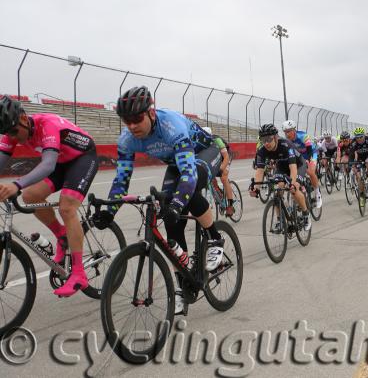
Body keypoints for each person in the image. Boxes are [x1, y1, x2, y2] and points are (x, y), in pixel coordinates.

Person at [92, 86, 225, 314]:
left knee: (188, 195)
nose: (132, 125)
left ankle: (215, 239)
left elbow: (189, 175)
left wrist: (176, 203)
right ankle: (183, 286)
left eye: (137, 119)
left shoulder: (171, 126)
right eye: (127, 120)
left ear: (151, 113)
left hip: (205, 153)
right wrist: (110, 211)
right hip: (177, 164)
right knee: (171, 222)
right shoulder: (126, 140)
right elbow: (122, 180)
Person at [0, 95, 98, 297]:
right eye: (7, 133)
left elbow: (48, 165)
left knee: (67, 207)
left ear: (24, 119)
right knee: (30, 195)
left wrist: (16, 184)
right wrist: (20, 187)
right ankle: (62, 235)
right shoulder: (11, 131)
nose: (14, 137)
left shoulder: (48, 125)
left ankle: (79, 273)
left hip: (82, 158)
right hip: (62, 162)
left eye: (15, 131)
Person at [249, 124, 311, 231]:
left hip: (298, 165)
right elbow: (260, 171)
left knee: (294, 189)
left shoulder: (286, 145)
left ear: (276, 137)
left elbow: (293, 168)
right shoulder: (262, 150)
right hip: (282, 166)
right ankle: (280, 220)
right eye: (263, 140)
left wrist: (292, 183)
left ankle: (306, 214)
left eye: (269, 139)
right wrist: (256, 188)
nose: (266, 143)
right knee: (278, 190)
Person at [282, 120, 322, 208]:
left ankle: (317, 194)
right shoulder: (286, 140)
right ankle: (302, 189)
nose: (287, 134)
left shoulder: (303, 136)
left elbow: (309, 150)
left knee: (310, 172)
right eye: (285, 132)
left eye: (289, 131)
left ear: (294, 130)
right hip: (300, 156)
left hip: (311, 153)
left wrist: (308, 160)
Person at [346, 127, 368, 202]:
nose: (359, 139)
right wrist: (350, 165)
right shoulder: (353, 142)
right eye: (357, 137)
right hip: (359, 158)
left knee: (367, 163)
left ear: (364, 135)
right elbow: (351, 155)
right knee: (359, 177)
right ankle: (362, 194)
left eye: (361, 137)